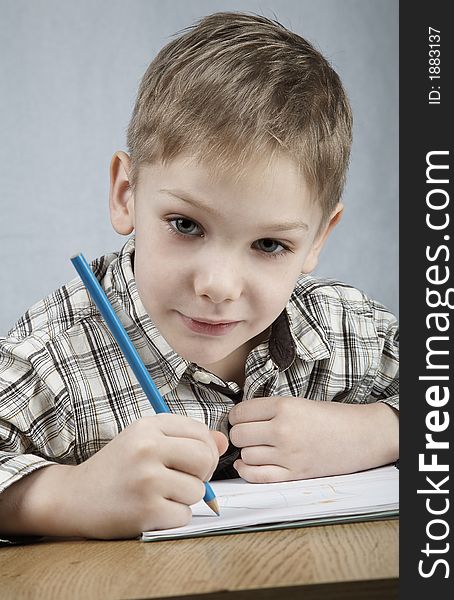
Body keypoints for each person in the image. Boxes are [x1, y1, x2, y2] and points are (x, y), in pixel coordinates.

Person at [0, 11, 398, 541]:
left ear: (318, 239)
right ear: (127, 194)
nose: (218, 284)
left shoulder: (337, 326)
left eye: (269, 244)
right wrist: (66, 497)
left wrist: (380, 430)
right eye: (186, 225)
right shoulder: (59, 352)